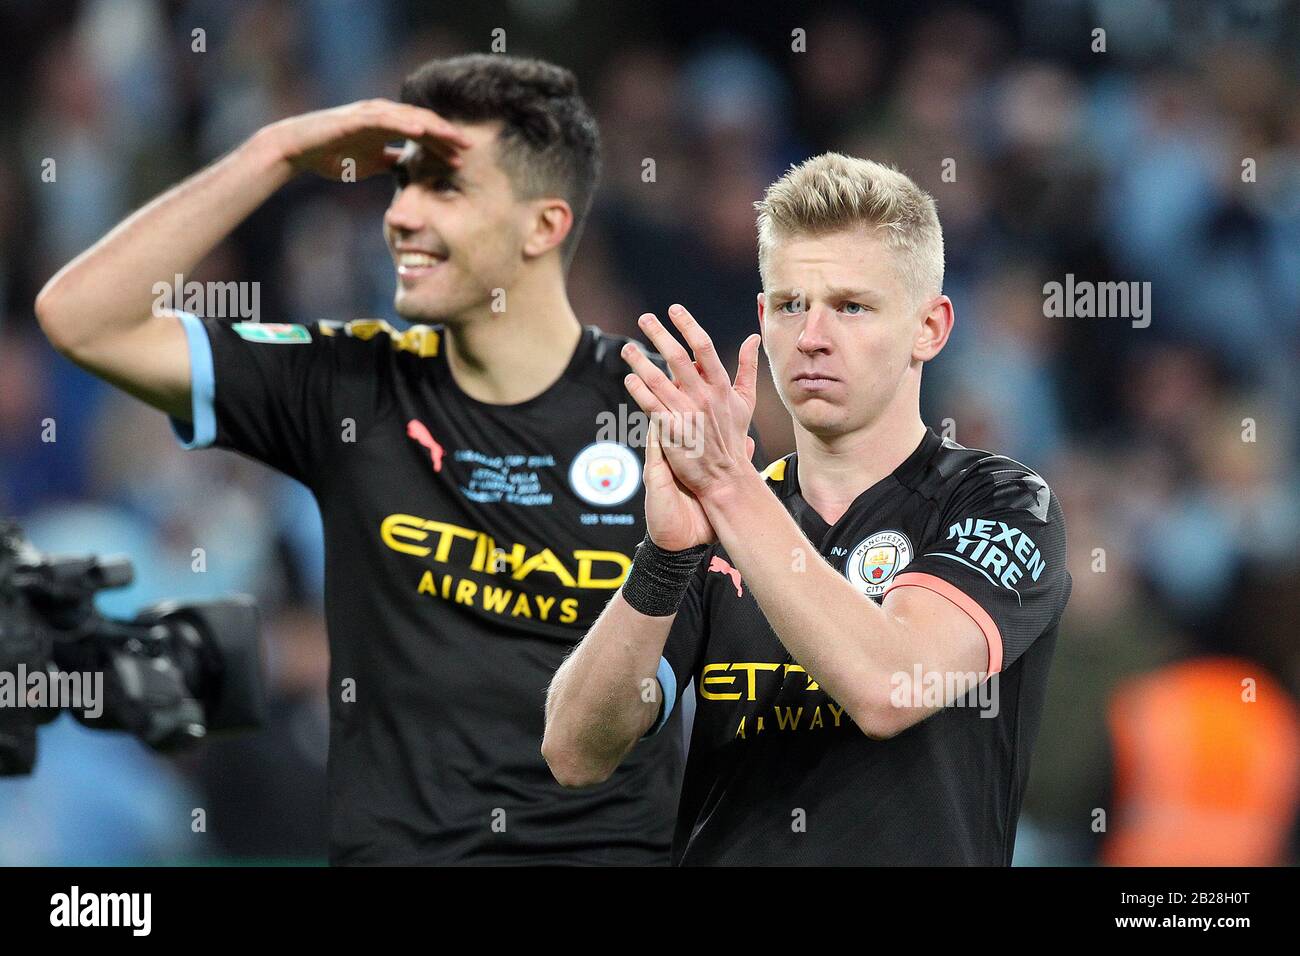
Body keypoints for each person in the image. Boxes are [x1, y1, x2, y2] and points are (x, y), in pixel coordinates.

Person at [35, 54, 731, 865]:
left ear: (543, 225)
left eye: (443, 187)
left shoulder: (660, 411)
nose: (399, 215)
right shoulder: (348, 382)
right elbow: (82, 319)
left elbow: (622, 733)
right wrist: (274, 154)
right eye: (400, 185)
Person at [544, 153, 1071, 865]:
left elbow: (890, 686)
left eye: (852, 306)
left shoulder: (1002, 502)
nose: (813, 336)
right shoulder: (721, 523)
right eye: (791, 305)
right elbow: (575, 750)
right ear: (762, 318)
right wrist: (665, 560)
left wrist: (732, 490)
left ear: (930, 328)